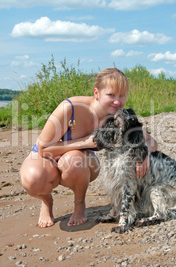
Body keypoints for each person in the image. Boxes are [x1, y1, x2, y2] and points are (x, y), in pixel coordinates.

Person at [20, 68, 158, 227]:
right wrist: (86, 143)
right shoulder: (70, 107)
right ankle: (46, 201)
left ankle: (79, 204)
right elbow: (44, 149)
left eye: (122, 95)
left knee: (75, 159)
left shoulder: (116, 117)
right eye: (111, 95)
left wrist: (142, 153)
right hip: (45, 156)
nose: (117, 101)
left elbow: (151, 141)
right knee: (33, 179)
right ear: (97, 93)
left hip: (77, 164)